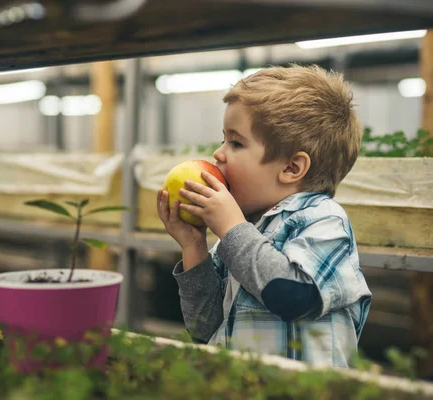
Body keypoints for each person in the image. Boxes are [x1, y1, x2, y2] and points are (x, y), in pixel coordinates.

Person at [156, 64, 372, 368]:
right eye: (223, 140)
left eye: (235, 142)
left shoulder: (323, 220)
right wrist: (194, 246)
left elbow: (294, 297)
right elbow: (204, 329)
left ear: (291, 168)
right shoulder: (243, 233)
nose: (218, 154)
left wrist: (231, 228)